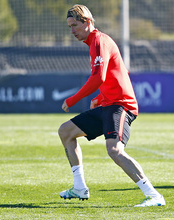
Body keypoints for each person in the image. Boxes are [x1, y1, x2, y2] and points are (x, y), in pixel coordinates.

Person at [58, 4, 165, 207]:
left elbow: (99, 76)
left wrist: (72, 99)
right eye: (69, 26)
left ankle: (154, 196)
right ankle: (79, 187)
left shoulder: (99, 40)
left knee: (114, 150)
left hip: (121, 106)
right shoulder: (93, 43)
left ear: (87, 22)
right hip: (109, 104)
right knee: (66, 132)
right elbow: (110, 77)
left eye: (74, 25)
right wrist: (100, 97)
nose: (71, 31)